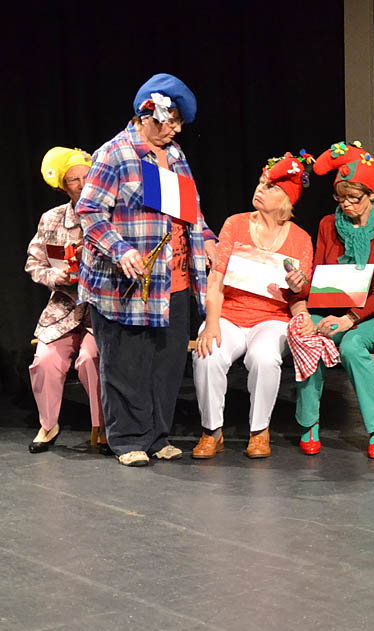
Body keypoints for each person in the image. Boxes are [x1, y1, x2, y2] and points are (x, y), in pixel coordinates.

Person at [76, 73, 215, 466]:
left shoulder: (176, 156)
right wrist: (120, 250)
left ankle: (156, 436)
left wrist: (208, 238)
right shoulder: (115, 154)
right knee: (126, 363)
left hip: (175, 279)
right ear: (149, 113)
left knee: (166, 364)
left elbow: (190, 211)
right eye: (172, 121)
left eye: (180, 124)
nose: (176, 130)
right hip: (128, 283)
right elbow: (89, 211)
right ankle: (127, 440)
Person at [192, 153, 314, 459]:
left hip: (271, 319)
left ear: (286, 199)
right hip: (230, 315)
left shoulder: (300, 239)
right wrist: (212, 323)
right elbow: (216, 279)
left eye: (270, 186)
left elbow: (299, 295)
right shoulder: (235, 224)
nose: (260, 189)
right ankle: (211, 431)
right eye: (261, 182)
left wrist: (297, 286)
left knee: (264, 357)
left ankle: (259, 431)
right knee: (207, 353)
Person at [292, 141, 374, 458]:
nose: (347, 205)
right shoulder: (328, 225)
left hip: (371, 318)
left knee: (352, 346)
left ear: (372, 195)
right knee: (307, 336)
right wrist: (300, 284)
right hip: (327, 310)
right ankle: (309, 422)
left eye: (354, 198)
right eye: (341, 198)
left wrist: (348, 320)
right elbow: (319, 278)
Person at [26, 146, 103, 454]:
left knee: (90, 360)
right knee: (44, 361)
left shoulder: (109, 215)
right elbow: (34, 263)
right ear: (63, 186)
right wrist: (55, 277)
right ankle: (48, 425)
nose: (82, 184)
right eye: (74, 180)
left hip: (101, 309)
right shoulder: (52, 219)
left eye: (87, 177)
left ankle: (103, 427)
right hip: (63, 308)